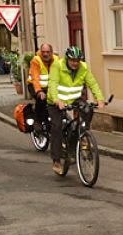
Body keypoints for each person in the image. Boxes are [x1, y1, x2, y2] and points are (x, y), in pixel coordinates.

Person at [46, 46, 105, 175]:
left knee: (88, 109)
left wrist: (99, 99)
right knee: (56, 127)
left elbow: (92, 83)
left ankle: (83, 134)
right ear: (67, 59)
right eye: (72, 60)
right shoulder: (57, 66)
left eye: (77, 60)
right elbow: (53, 83)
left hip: (73, 99)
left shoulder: (83, 67)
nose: (75, 63)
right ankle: (56, 161)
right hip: (56, 102)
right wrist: (56, 100)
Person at [28, 43, 58, 134]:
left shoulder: (56, 60)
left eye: (48, 52)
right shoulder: (36, 60)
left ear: (52, 52)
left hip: (49, 87)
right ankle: (38, 122)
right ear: (40, 52)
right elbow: (36, 78)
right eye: (43, 52)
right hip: (34, 85)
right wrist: (39, 91)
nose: (45, 54)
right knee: (41, 99)